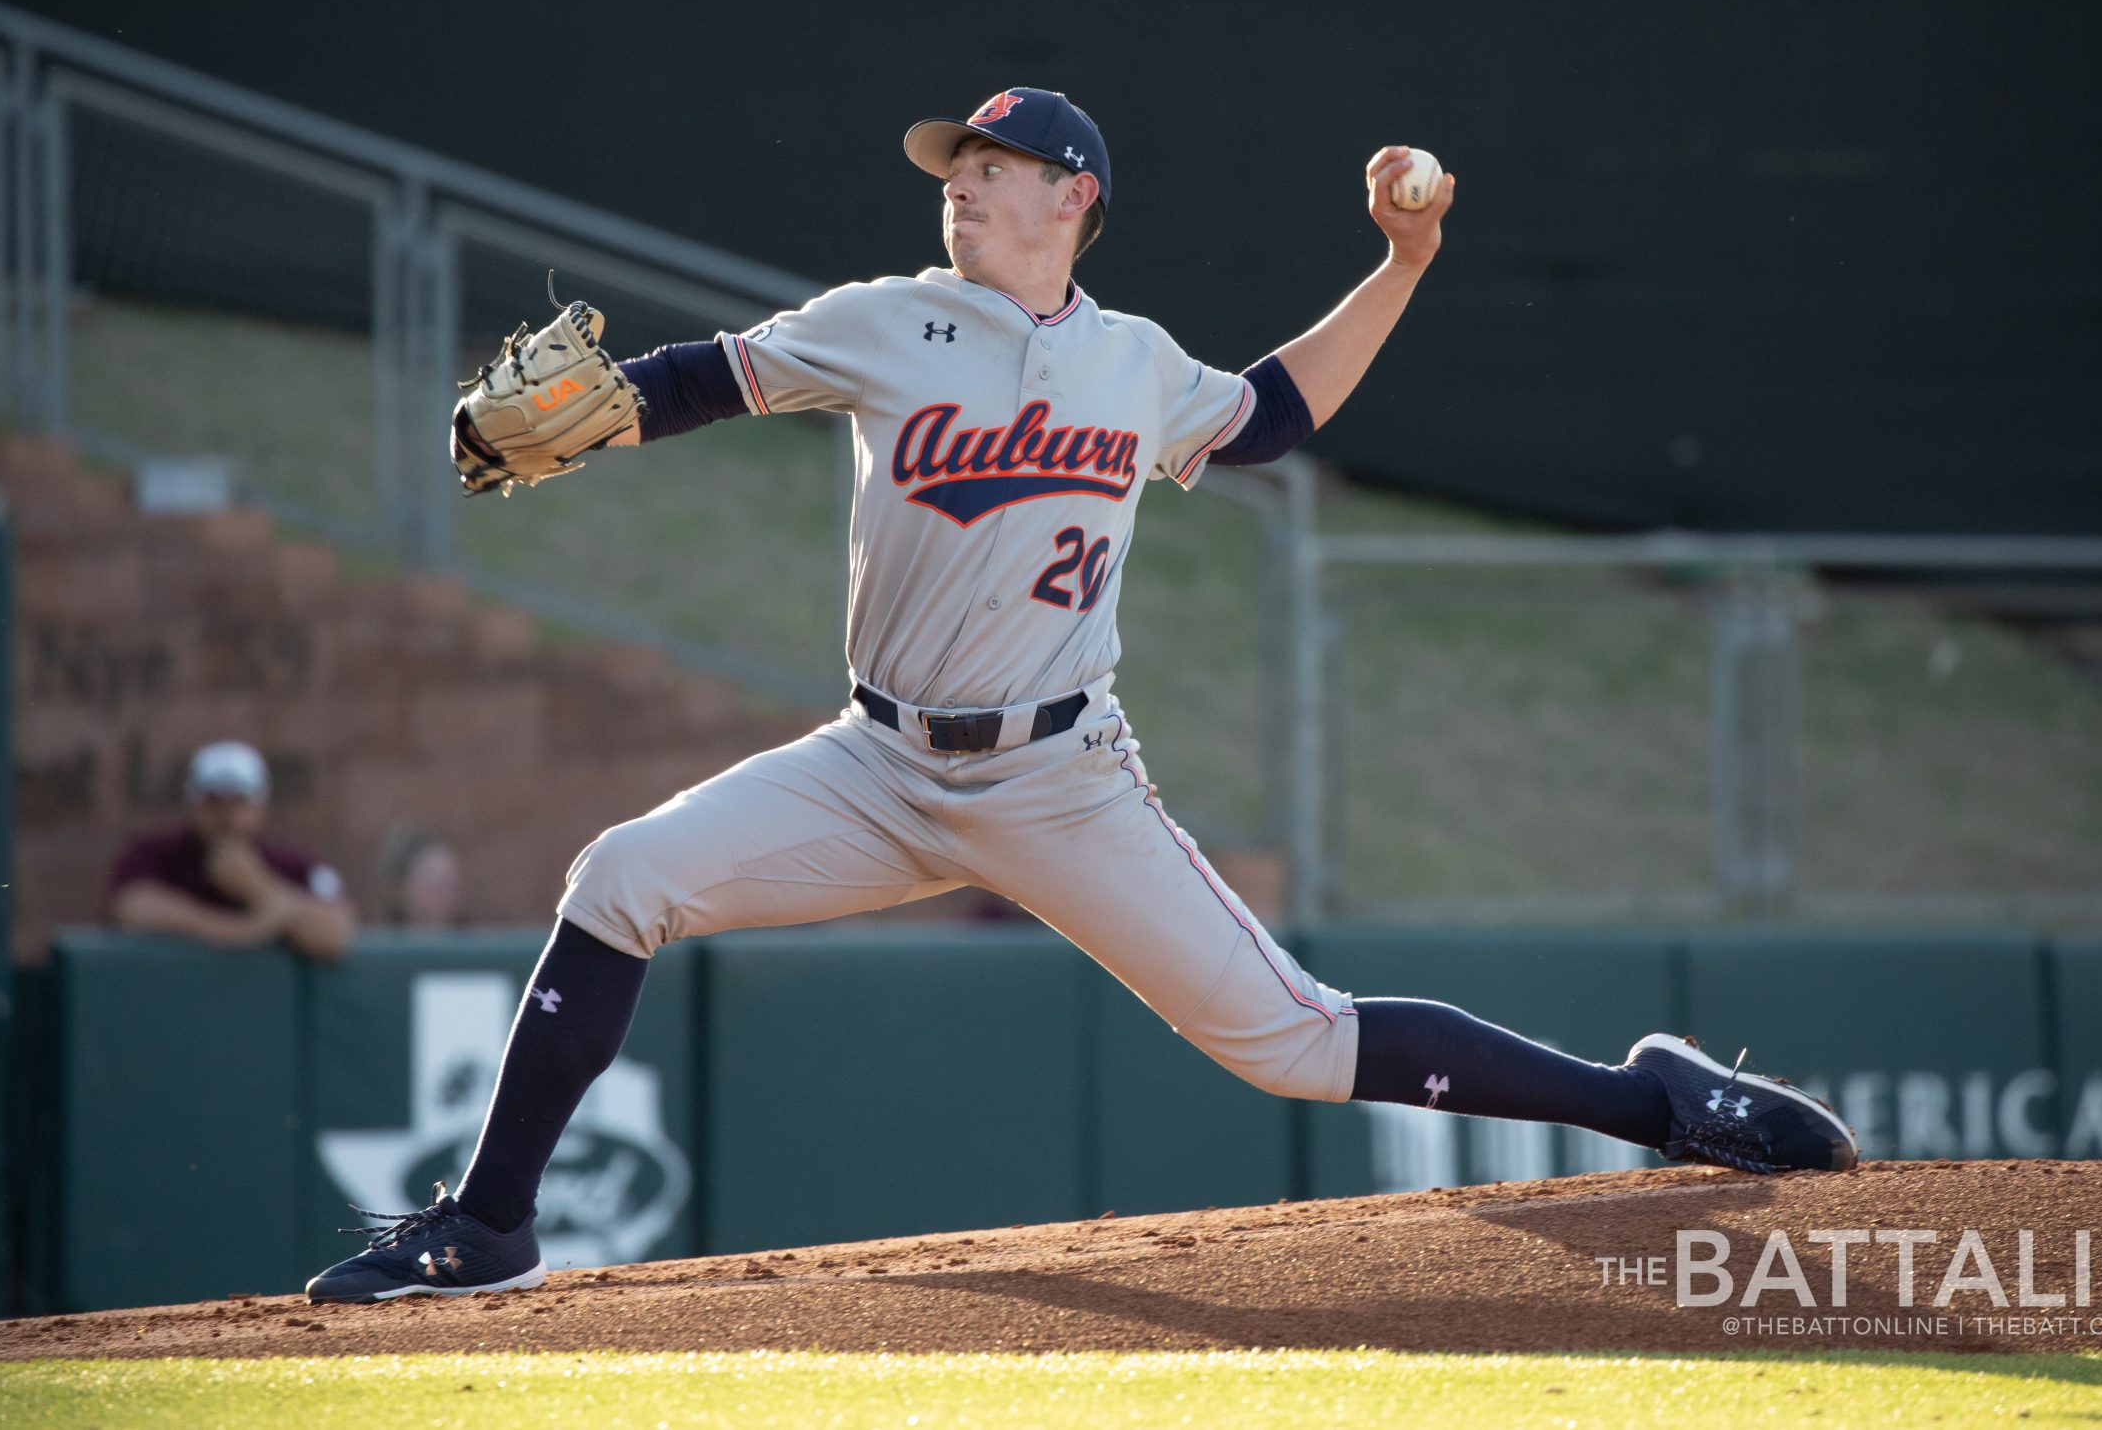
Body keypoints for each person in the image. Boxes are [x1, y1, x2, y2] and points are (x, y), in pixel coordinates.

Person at [305, 89, 1854, 1304]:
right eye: (953, 165)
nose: (960, 181)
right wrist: (607, 413)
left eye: (994, 162)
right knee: (621, 875)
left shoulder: (1134, 361)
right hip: (876, 762)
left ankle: (1656, 1104)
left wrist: (1403, 262)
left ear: (1073, 197)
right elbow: (705, 373)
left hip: (1062, 779)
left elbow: (1269, 411)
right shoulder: (886, 317)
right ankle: (491, 1222)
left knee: (1295, 1042)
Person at [107, 741, 355, 960]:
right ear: (192, 804)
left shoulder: (291, 862)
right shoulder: (155, 853)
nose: (228, 815)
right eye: (213, 801)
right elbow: (133, 908)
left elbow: (335, 933)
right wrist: (244, 931)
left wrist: (258, 886)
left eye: (240, 801)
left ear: (261, 806)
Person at [376, 825, 467, 929]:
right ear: (400, 888)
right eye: (435, 887)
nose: (447, 897)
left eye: (453, 886)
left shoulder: (472, 941)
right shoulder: (373, 943)